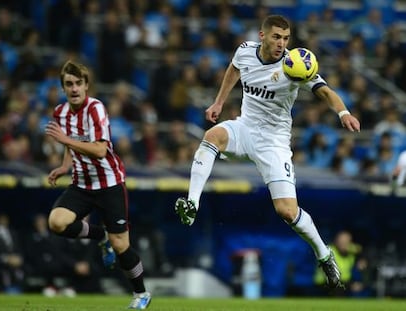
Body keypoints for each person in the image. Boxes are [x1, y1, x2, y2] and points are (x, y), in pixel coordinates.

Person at [174, 15, 361, 290]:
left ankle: (324, 254)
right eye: (276, 37)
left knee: (286, 211)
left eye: (286, 39)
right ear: (263, 36)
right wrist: (219, 102)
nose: (281, 44)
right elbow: (234, 69)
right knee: (212, 136)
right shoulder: (245, 51)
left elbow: (325, 91)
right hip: (245, 129)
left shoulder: (294, 65)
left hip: (274, 143)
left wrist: (343, 112)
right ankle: (192, 203)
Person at [45, 60, 151, 309]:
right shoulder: (60, 113)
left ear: (86, 85)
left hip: (109, 183)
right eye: (69, 84)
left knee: (121, 245)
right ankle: (100, 235)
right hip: (81, 183)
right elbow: (71, 144)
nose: (74, 88)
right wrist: (64, 165)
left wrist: (64, 139)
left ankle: (141, 293)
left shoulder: (96, 109)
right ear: (63, 88)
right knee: (56, 222)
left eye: (78, 83)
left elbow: (101, 150)